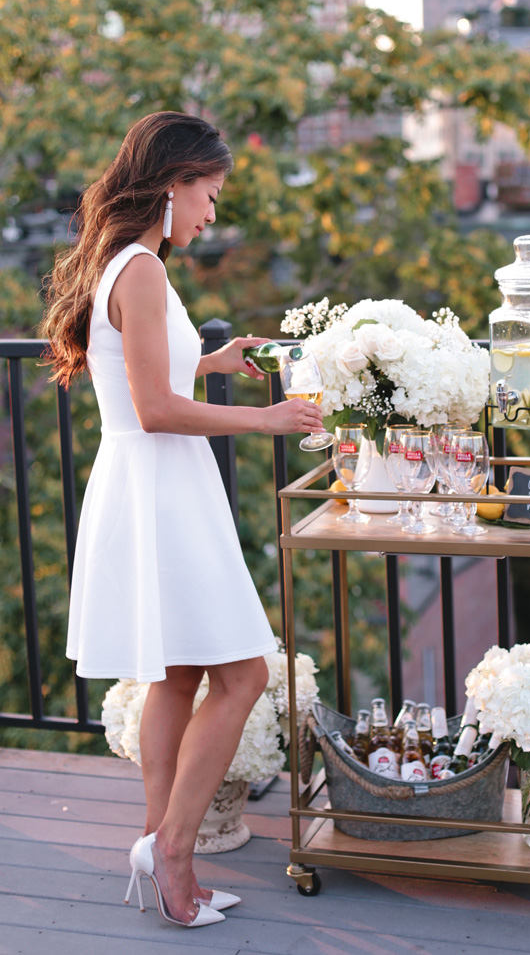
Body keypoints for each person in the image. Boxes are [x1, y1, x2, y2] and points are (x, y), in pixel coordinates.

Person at [40, 111, 324, 928]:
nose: (212, 212)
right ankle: (173, 847)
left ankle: (162, 847)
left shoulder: (126, 264)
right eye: (210, 193)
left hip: (154, 485)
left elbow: (144, 375)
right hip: (161, 485)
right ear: (174, 183)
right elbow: (156, 409)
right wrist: (267, 420)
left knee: (179, 674)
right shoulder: (141, 271)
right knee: (245, 674)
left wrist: (212, 361)